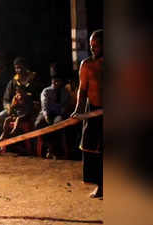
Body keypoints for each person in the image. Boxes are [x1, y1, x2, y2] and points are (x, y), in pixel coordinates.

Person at [71, 29, 103, 198]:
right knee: (91, 149)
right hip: (92, 110)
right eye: (91, 46)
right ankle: (101, 186)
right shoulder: (86, 65)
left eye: (97, 45)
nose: (93, 49)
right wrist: (78, 109)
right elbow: (82, 90)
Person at [35, 74, 71, 159]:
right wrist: (47, 116)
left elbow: (65, 106)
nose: (55, 83)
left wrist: (59, 113)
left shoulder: (65, 92)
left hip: (58, 114)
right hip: (47, 113)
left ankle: (54, 150)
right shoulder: (46, 91)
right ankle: (49, 147)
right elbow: (44, 106)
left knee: (58, 124)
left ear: (61, 82)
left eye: (58, 81)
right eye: (54, 81)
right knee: (39, 123)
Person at [0, 86, 34, 154]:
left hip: (25, 116)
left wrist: (20, 116)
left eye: (19, 91)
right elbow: (12, 111)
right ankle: (3, 140)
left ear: (23, 91)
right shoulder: (16, 98)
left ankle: (14, 131)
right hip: (18, 116)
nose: (18, 92)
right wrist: (13, 104)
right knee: (7, 119)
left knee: (18, 119)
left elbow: (29, 111)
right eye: (17, 91)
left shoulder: (28, 98)